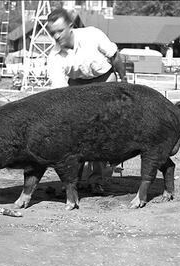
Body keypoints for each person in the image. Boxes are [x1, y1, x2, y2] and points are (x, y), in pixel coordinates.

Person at [46, 8, 127, 195]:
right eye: (52, 33)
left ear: (70, 27)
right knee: (76, 133)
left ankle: (96, 180)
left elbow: (115, 57)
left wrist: (124, 82)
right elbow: (59, 90)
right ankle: (72, 181)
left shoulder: (92, 34)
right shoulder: (54, 57)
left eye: (60, 31)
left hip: (104, 80)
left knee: (99, 131)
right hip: (78, 87)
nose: (57, 36)